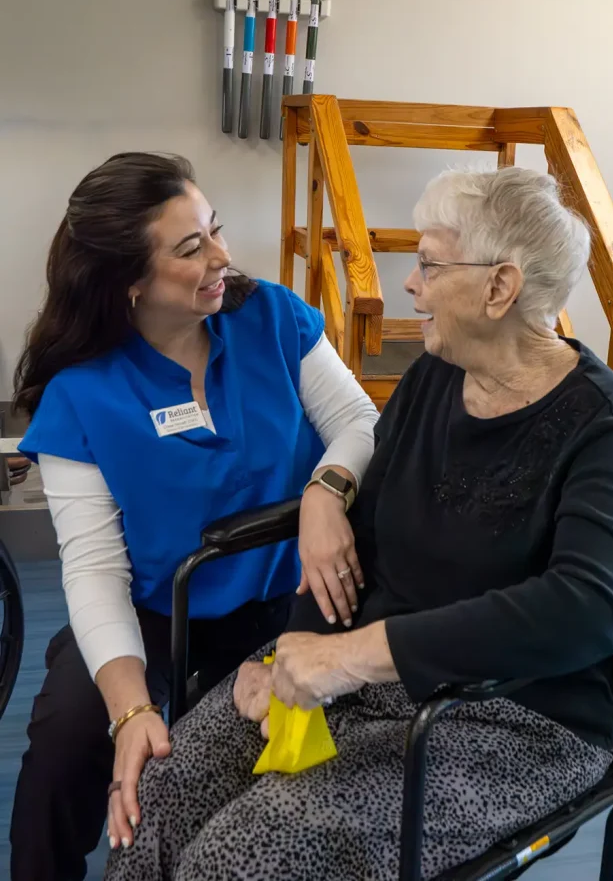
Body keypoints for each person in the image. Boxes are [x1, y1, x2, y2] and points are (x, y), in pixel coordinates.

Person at [105, 166, 613, 881]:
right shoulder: (434, 377)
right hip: (371, 683)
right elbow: (356, 535)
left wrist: (352, 656)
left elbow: (591, 608)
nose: (410, 285)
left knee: (242, 856)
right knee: (164, 798)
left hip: (514, 721)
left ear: (500, 287)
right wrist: (295, 646)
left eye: (427, 263)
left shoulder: (600, 422)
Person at [10, 152, 379, 881]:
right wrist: (129, 712)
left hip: (294, 599)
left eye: (215, 230)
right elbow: (92, 571)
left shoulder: (269, 317)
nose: (221, 257)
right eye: (190, 248)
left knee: (244, 774)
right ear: (129, 283)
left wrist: (325, 490)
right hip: (159, 607)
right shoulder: (82, 396)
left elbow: (359, 422)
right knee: (63, 744)